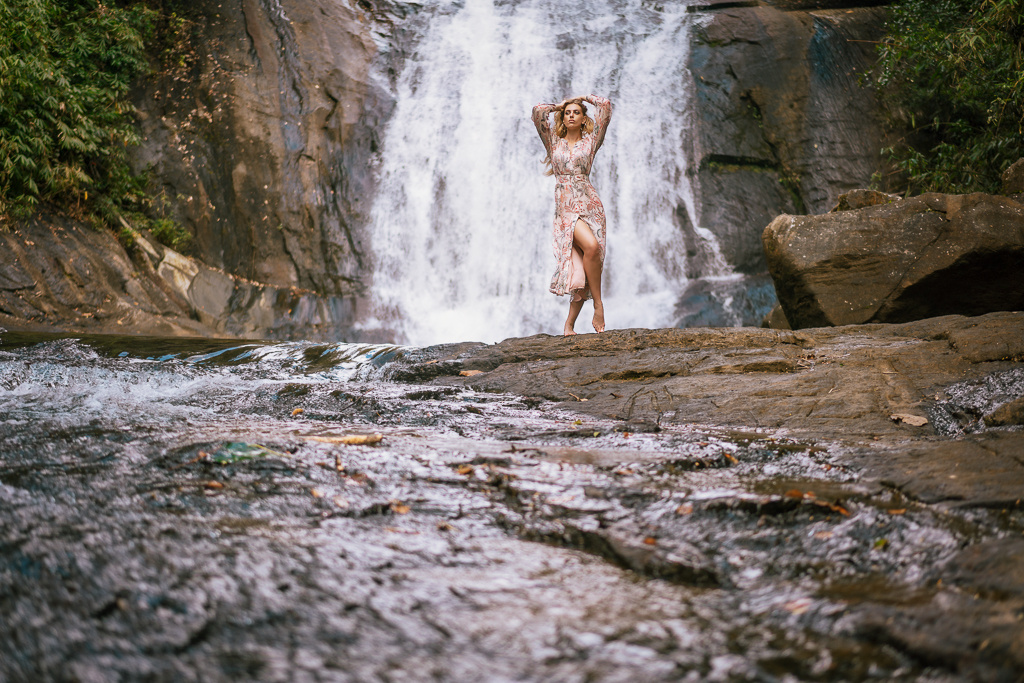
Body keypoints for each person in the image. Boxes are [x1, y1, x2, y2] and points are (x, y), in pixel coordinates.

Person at [532, 94, 613, 335]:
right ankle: (598, 305)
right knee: (591, 247)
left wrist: (583, 98)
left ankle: (569, 325)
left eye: (576, 112)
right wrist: (558, 106)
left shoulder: (591, 141)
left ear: (583, 118)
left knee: (583, 267)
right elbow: (537, 112)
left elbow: (605, 106)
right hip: (566, 209)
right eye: (567, 113)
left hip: (590, 205)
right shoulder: (552, 142)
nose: (571, 115)